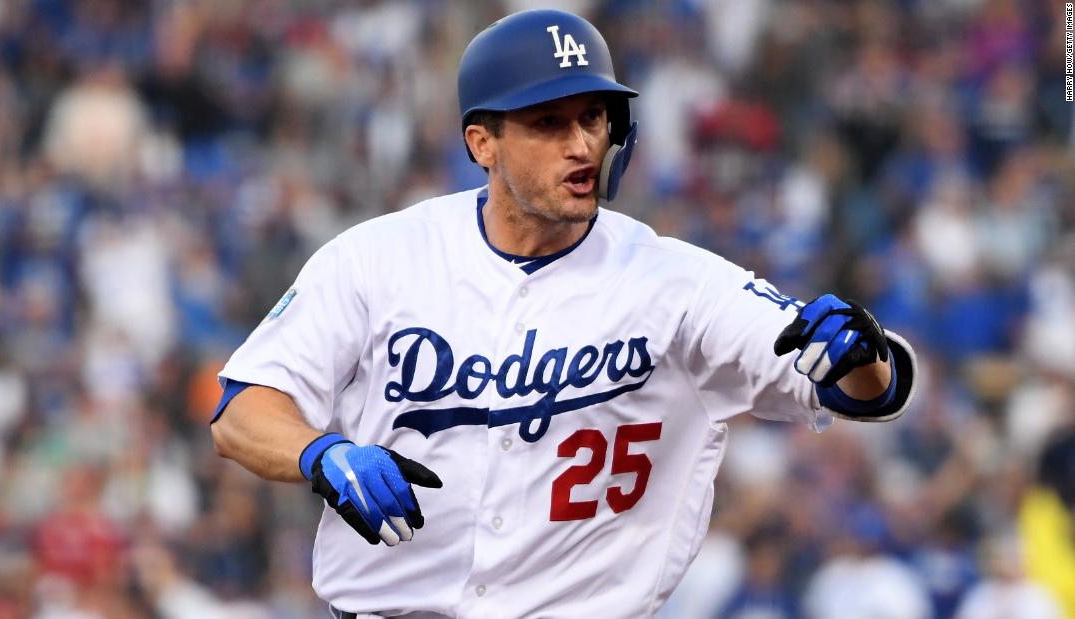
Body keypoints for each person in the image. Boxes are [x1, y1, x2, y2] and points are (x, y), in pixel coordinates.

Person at [209, 9, 918, 619]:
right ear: (482, 142)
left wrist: (865, 355)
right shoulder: (376, 258)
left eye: (593, 117)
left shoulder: (677, 283)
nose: (581, 145)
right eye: (548, 122)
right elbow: (242, 411)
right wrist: (319, 453)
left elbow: (855, 387)